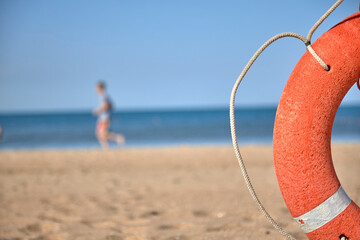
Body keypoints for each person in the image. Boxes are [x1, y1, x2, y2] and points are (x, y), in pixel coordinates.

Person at [93, 81, 125, 149]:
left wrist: (98, 111)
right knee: (101, 134)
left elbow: (106, 106)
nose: (95, 89)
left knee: (102, 134)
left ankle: (118, 138)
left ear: (100, 88)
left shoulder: (103, 96)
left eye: (96, 88)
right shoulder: (105, 96)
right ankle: (106, 147)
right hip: (105, 117)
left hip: (104, 118)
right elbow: (112, 105)